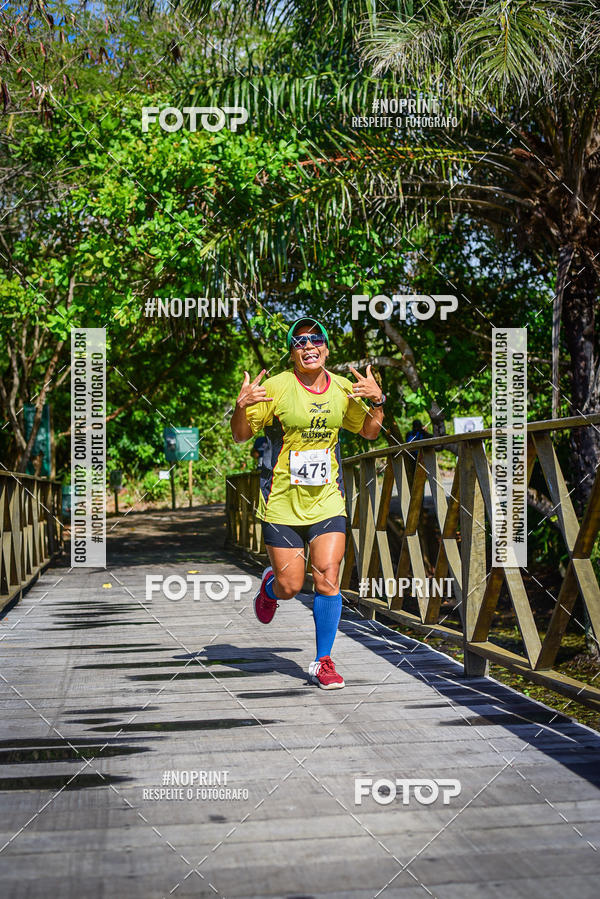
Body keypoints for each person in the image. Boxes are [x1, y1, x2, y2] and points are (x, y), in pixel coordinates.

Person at [230, 317, 385, 689]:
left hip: (328, 500)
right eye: (299, 341)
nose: (308, 345)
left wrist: (379, 401)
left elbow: (368, 432)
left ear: (327, 348)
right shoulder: (277, 387)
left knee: (328, 578)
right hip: (283, 502)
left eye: (316, 339)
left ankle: (323, 661)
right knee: (291, 586)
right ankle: (270, 587)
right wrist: (240, 406)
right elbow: (239, 436)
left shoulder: (344, 388)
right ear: (292, 351)